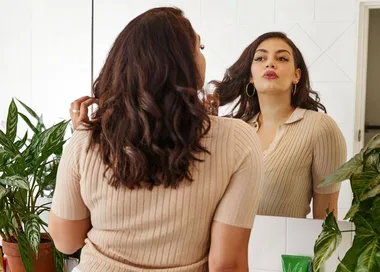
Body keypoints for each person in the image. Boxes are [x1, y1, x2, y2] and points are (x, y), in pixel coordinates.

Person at [48, 7, 263, 272]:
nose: (203, 56)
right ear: (183, 63)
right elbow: (226, 264)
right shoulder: (238, 141)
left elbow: (65, 241)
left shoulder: (86, 139)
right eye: (200, 47)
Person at [212, 32, 347, 219]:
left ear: (296, 76)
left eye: (282, 58)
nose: (270, 63)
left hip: (281, 247)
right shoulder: (235, 129)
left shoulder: (320, 128)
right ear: (250, 76)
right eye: (260, 58)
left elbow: (326, 221)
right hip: (225, 247)